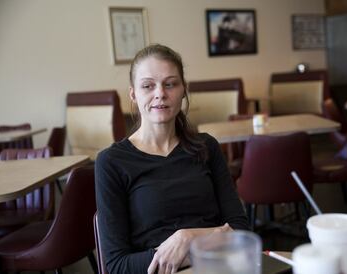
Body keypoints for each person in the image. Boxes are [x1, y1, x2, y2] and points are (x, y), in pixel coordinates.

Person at [95, 44, 249, 274]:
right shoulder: (111, 162)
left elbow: (240, 229)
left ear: (183, 90)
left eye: (170, 84)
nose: (160, 94)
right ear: (133, 95)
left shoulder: (207, 147)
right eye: (148, 86)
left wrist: (188, 236)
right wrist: (203, 246)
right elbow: (117, 265)